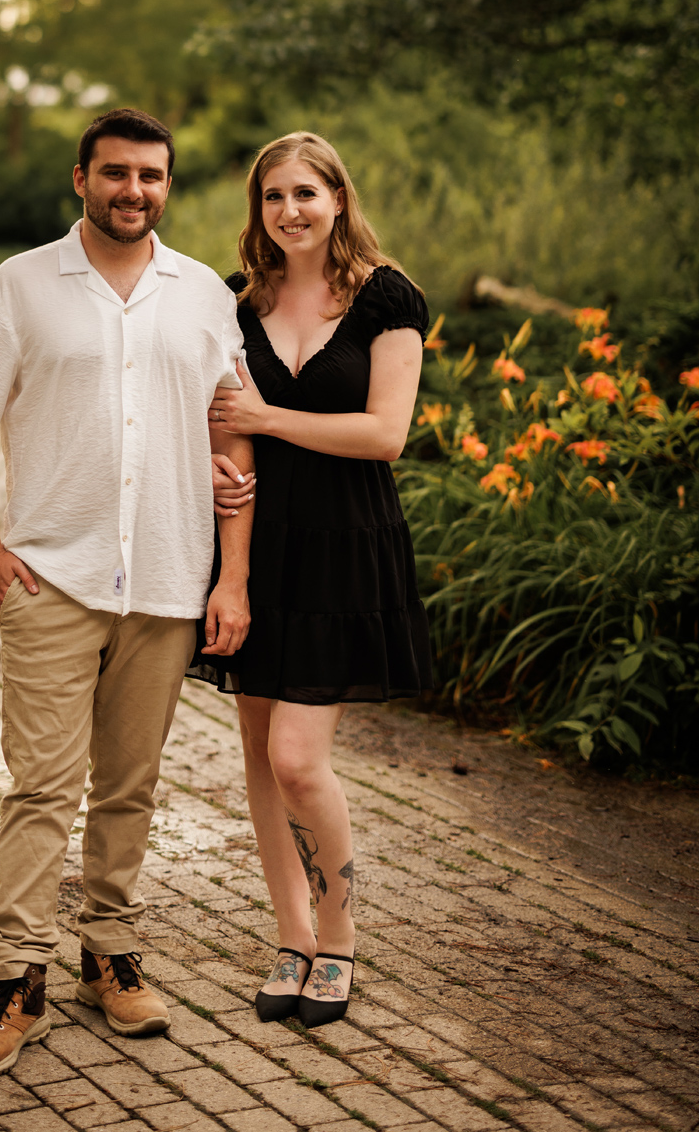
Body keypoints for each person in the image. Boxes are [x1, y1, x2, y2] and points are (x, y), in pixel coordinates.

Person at [0, 108, 254, 1078]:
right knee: (41, 784)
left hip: (164, 576)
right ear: (80, 178)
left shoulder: (202, 294)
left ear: (167, 185)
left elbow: (230, 430)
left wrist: (231, 571)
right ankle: (13, 975)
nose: (133, 190)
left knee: (129, 785)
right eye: (114, 172)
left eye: (150, 175)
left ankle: (109, 952)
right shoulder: (19, 286)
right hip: (52, 577)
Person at [191, 131, 432, 1029]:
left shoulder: (385, 297)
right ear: (257, 208)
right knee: (257, 757)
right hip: (258, 548)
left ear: (338, 197)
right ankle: (289, 935)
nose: (290, 210)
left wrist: (266, 414)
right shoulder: (233, 301)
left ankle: (339, 936)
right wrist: (233, 578)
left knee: (298, 761)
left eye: (306, 192)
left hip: (344, 548)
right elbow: (232, 435)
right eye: (272, 196)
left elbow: (384, 435)